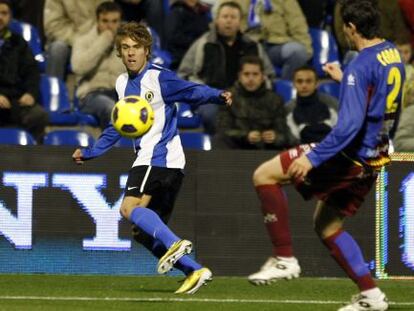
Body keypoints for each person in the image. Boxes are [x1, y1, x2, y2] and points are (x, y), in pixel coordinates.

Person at [248, 1, 403, 310]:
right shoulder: (391, 52)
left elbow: (348, 126)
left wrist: (312, 159)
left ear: (351, 28)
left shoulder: (360, 66)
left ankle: (284, 258)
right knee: (327, 226)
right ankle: (371, 295)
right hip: (375, 156)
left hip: (348, 154)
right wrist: (345, 78)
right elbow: (378, 101)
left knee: (264, 175)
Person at [72, 22, 232, 294]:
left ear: (147, 50)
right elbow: (116, 126)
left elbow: (190, 90)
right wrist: (90, 153)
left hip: (155, 158)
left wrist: (218, 96)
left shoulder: (158, 78)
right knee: (140, 231)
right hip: (167, 165)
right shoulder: (122, 83)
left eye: (136, 47)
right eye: (125, 48)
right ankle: (194, 270)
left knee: (127, 208)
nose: (131, 53)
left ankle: (176, 244)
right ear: (119, 53)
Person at [178, 1, 274, 134]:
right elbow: (184, 74)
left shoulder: (252, 46)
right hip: (213, 98)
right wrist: (203, 91)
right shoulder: (203, 44)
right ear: (216, 20)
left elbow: (268, 75)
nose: (228, 21)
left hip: (248, 96)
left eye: (233, 17)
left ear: (240, 22)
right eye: (225, 17)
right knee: (212, 116)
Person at [213, 0, 313, 80]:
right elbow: (221, 20)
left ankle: (285, 92)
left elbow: (298, 25)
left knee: (298, 51)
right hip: (246, 46)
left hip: (275, 46)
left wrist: (306, 51)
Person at [215, 55, 291, 150]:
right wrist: (245, 136)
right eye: (246, 74)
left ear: (262, 76)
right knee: (219, 140)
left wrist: (275, 137)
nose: (251, 79)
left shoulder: (275, 99)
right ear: (239, 76)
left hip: (266, 151)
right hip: (236, 150)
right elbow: (223, 130)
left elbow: (285, 134)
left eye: (255, 74)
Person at [71, 1, 125, 129]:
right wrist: (104, 41)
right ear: (97, 21)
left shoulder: (126, 43)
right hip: (92, 95)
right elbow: (78, 67)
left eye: (114, 21)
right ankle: (115, 148)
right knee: (111, 108)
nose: (110, 26)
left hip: (120, 95)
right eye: (105, 21)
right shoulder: (83, 40)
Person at [0, 0, 48, 143]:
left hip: (15, 102)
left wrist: (30, 93)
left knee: (39, 116)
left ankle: (34, 160)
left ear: (10, 17)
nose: (0, 17)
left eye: (4, 13)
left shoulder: (19, 42)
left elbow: (32, 71)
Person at [43, 0, 109, 79]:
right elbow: (53, 26)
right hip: (68, 41)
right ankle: (54, 88)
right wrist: (79, 41)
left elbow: (109, 17)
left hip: (96, 38)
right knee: (58, 49)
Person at [286, 65, 338, 144]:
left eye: (308, 81)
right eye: (299, 81)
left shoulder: (332, 104)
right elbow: (290, 140)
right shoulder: (288, 109)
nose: (304, 85)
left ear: (316, 84)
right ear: (294, 84)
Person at [165, 0, 210, 70]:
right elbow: (172, 37)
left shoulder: (203, 12)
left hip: (201, 54)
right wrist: (196, 42)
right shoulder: (177, 11)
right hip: (180, 57)